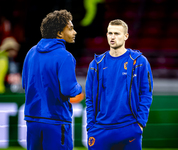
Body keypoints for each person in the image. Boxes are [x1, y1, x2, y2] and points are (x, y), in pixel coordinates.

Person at [85, 19, 153, 150]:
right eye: (110, 33)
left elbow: (146, 94)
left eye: (117, 33)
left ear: (126, 36)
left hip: (129, 128)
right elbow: (89, 99)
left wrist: (140, 123)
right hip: (100, 130)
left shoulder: (139, 62)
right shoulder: (96, 64)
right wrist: (90, 126)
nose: (112, 37)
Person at [22, 9, 82, 150]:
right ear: (59, 33)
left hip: (32, 120)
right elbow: (69, 90)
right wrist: (79, 87)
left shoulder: (31, 52)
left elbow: (25, 84)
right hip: (56, 121)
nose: (75, 32)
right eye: (71, 28)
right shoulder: (65, 56)